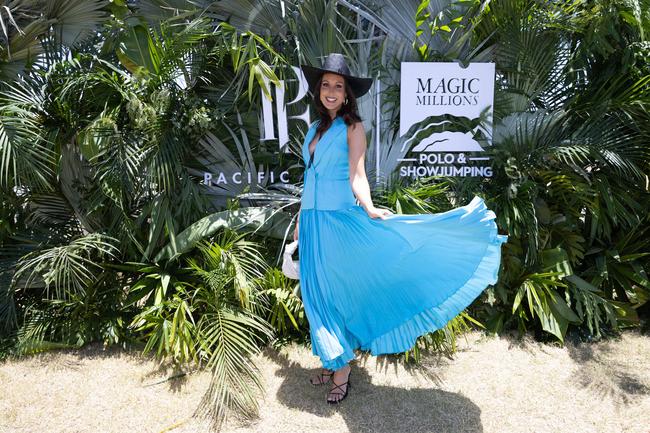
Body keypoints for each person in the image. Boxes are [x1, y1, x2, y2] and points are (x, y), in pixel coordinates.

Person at [292, 53, 508, 404]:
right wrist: (302, 221)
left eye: (338, 86)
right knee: (318, 295)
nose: (331, 91)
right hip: (314, 223)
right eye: (326, 85)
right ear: (318, 90)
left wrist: (370, 207)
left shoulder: (352, 127)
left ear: (347, 94)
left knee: (339, 292)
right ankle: (335, 360)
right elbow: (308, 179)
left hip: (338, 222)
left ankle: (342, 372)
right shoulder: (315, 129)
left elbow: (357, 174)